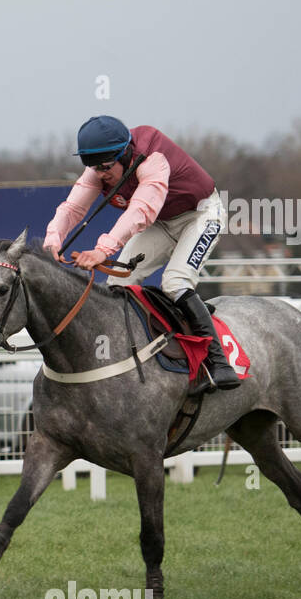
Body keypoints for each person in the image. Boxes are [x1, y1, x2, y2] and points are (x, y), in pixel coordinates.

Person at [42, 115, 240, 394]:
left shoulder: (153, 160)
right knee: (116, 285)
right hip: (162, 222)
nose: (99, 173)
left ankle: (217, 363)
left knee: (175, 282)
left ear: (124, 154)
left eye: (104, 167)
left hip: (201, 216)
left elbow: (141, 211)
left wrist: (102, 251)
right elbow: (72, 208)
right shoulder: (103, 164)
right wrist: (53, 240)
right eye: (91, 167)